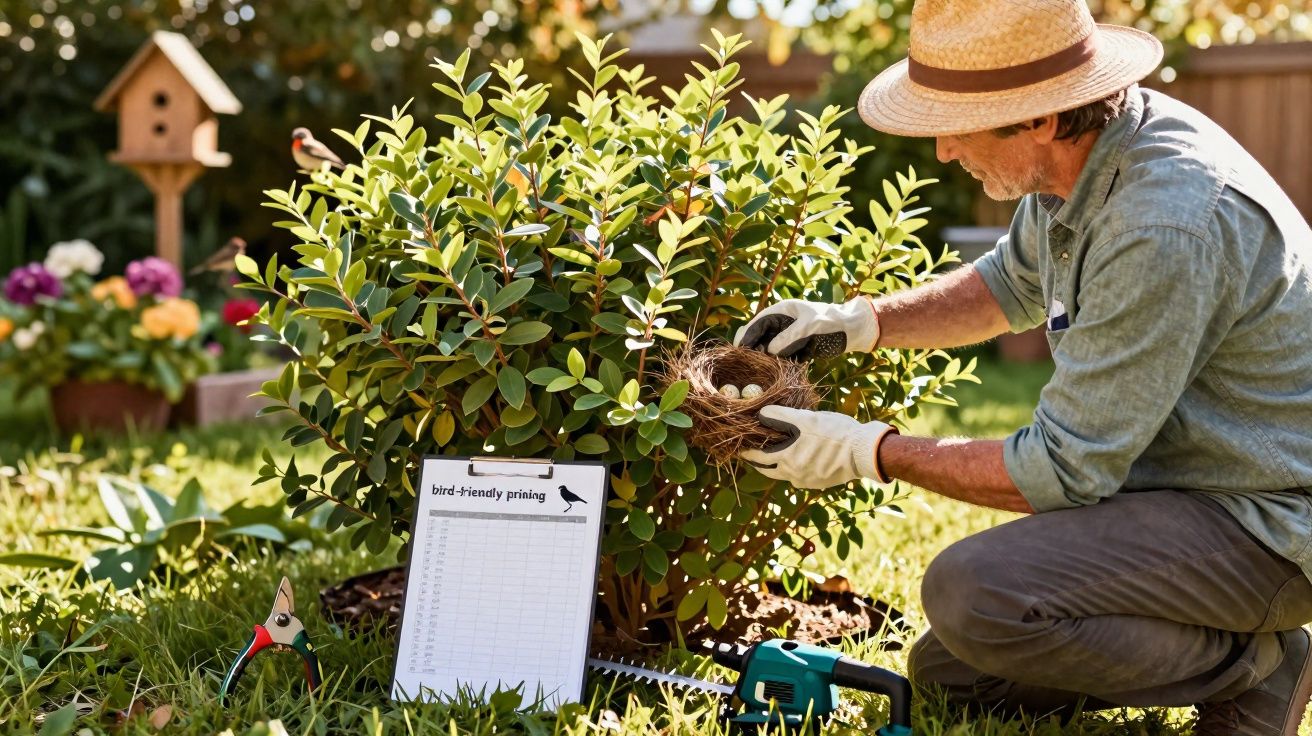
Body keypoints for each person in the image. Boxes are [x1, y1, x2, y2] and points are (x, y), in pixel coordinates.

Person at [732, 0, 1312, 733]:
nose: (942, 150)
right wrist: (857, 323)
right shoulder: (1081, 158)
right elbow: (1006, 287)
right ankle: (1230, 644)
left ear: (1038, 117)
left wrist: (863, 451)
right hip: (1181, 490)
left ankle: (1259, 662)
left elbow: (1063, 470)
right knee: (952, 672)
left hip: (1270, 521)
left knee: (973, 592)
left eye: (954, 122)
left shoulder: (1161, 224)